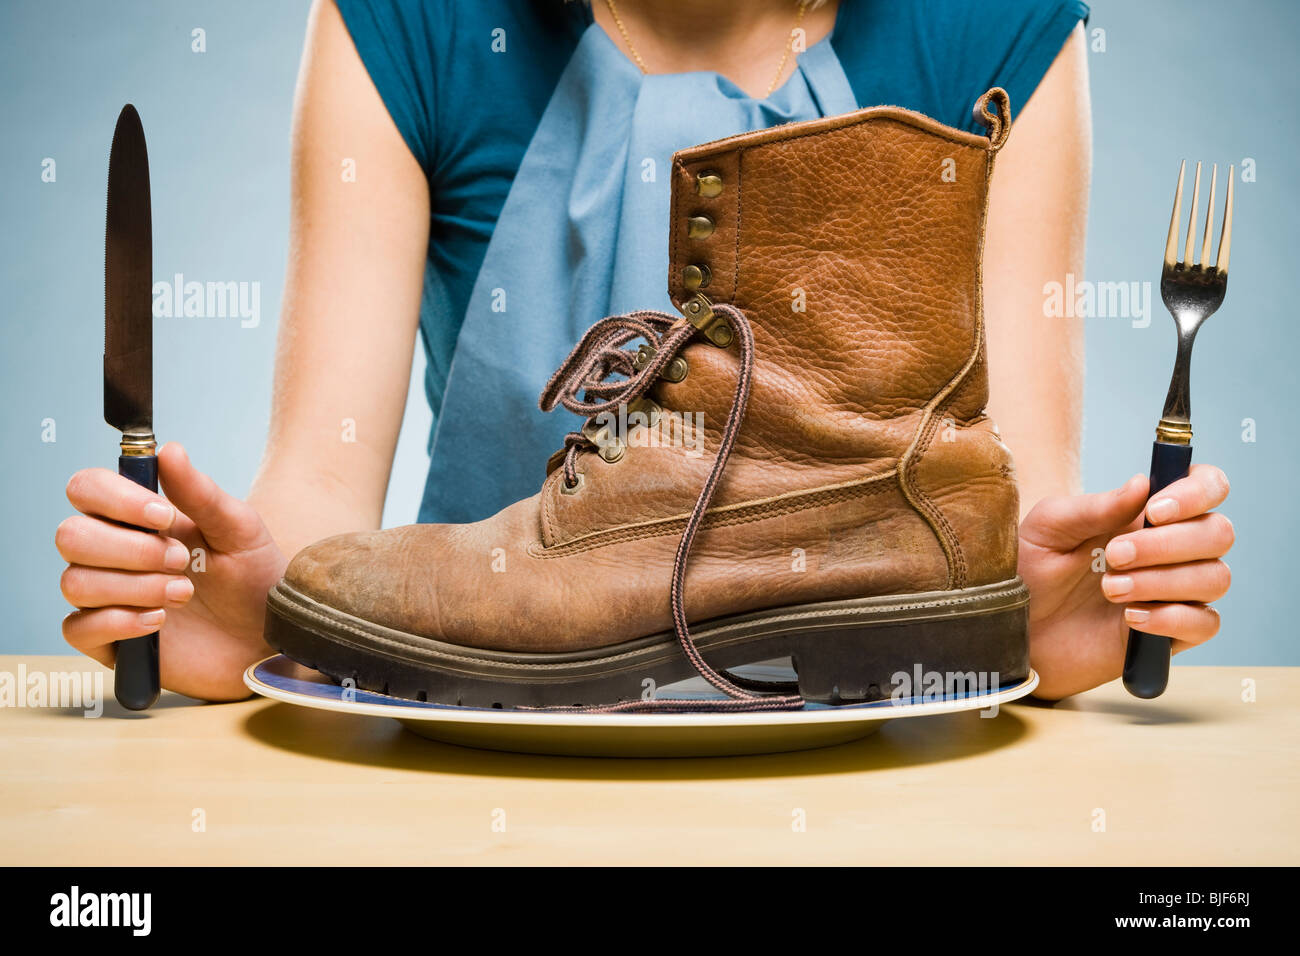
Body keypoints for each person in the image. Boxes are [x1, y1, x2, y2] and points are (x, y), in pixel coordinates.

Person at [55, 0, 1233, 703]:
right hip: (473, 740)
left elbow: (994, 500)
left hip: (884, 761)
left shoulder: (993, 18)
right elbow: (321, 490)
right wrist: (272, 606)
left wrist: (1034, 610)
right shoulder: (410, 17)